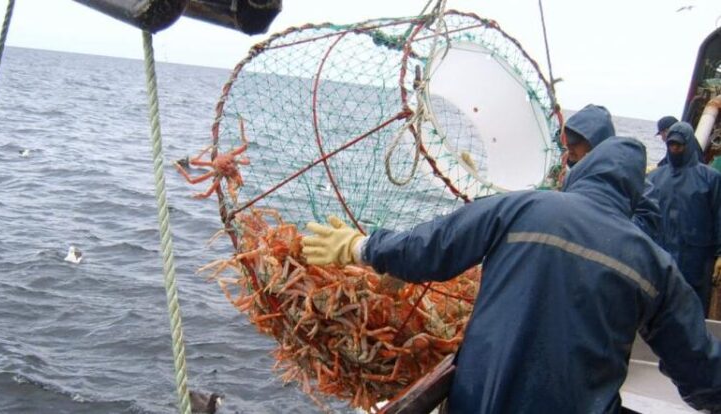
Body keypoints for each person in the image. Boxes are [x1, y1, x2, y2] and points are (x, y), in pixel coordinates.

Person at [302, 137, 721, 413]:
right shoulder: (655, 264)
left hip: (477, 403)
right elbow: (700, 368)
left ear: (582, 172)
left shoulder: (520, 207)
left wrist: (359, 246)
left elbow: (430, 248)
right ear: (634, 196)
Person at [647, 121, 721, 315]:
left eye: (679, 145)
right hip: (661, 255)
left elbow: (719, 217)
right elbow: (644, 219)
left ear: (688, 145)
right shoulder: (654, 178)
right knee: (660, 306)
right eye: (671, 144)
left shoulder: (710, 178)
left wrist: (720, 254)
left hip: (697, 259)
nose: (674, 148)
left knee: (693, 308)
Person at [563, 104, 661, 240]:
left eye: (576, 142)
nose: (569, 147)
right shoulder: (568, 177)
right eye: (567, 141)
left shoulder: (636, 185)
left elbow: (646, 228)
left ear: (596, 143)